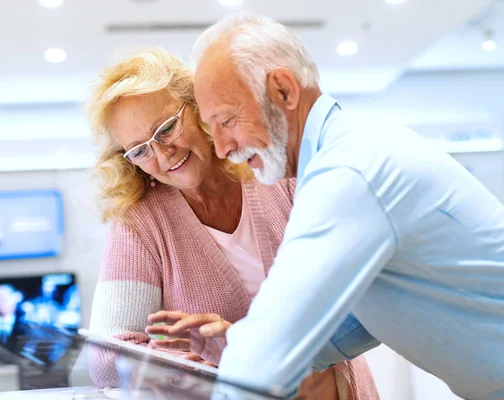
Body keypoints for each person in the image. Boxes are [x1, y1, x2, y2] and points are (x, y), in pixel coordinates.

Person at [176, 12, 504, 400]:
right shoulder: (352, 152)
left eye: (227, 120)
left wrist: (256, 356)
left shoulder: (349, 171)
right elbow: (360, 316)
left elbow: (267, 353)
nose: (221, 147)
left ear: (283, 90)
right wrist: (243, 345)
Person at [84, 48, 379, 399]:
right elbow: (106, 358)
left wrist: (239, 345)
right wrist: (205, 362)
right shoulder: (141, 222)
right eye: (140, 150)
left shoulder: (274, 171)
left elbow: (351, 289)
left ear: (198, 109)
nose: (163, 155)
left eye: (165, 129)